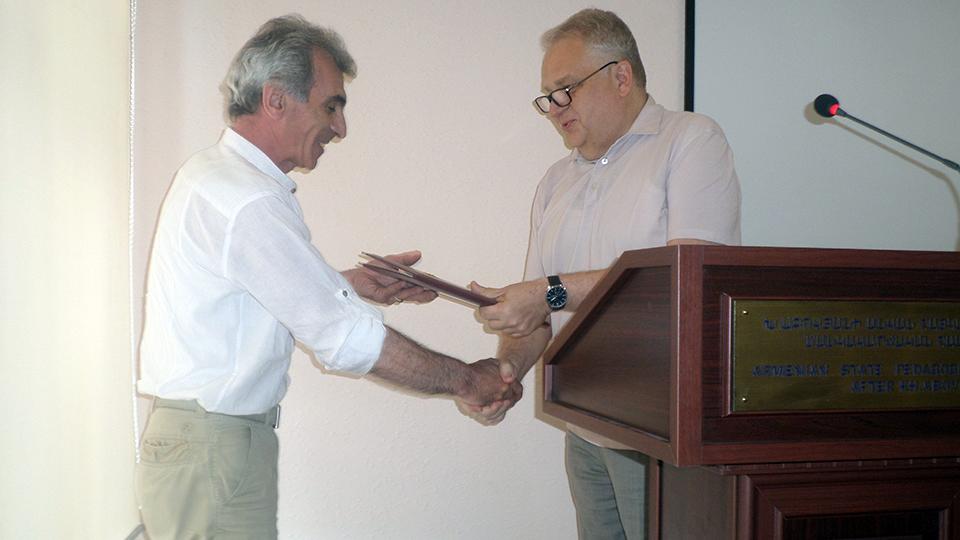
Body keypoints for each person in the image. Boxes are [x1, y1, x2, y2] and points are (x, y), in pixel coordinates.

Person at [135, 15, 519, 540]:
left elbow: (250, 295)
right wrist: (467, 380)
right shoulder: (245, 199)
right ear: (276, 100)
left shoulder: (217, 177)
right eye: (331, 106)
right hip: (211, 449)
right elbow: (343, 336)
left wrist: (348, 284)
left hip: (206, 446)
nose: (341, 128)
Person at [465, 9, 741, 540]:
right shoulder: (555, 181)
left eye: (566, 89)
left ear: (621, 76)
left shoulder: (690, 141)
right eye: (548, 97)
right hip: (584, 426)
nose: (555, 109)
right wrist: (505, 372)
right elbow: (539, 315)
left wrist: (547, 293)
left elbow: (689, 279)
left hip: (662, 433)